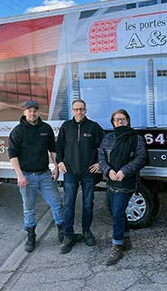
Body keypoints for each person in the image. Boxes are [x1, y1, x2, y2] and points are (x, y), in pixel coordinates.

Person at [8, 100, 64, 253]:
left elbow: (53, 150)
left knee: (57, 203)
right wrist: (20, 176)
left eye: (35, 110)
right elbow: (12, 155)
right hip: (27, 176)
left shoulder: (46, 128)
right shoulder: (18, 131)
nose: (32, 113)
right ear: (24, 112)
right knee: (29, 209)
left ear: (39, 112)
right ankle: (31, 237)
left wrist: (56, 167)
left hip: (45, 174)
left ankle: (62, 232)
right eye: (29, 110)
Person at [98, 109, 148, 265]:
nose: (119, 122)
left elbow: (141, 158)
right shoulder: (107, 138)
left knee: (119, 212)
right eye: (116, 120)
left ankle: (117, 245)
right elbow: (101, 156)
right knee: (115, 212)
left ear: (128, 121)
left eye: (122, 119)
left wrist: (124, 171)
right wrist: (108, 170)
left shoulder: (136, 138)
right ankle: (126, 238)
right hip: (112, 179)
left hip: (127, 180)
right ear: (113, 123)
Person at [56, 99, 105, 254]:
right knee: (69, 204)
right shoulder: (66, 127)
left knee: (87, 204)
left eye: (81, 109)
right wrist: (59, 162)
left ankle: (87, 232)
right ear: (72, 111)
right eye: (76, 109)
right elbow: (59, 147)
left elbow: (104, 146)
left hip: (88, 173)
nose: (79, 112)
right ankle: (68, 236)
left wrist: (100, 163)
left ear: (86, 110)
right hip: (70, 172)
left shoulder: (93, 127)